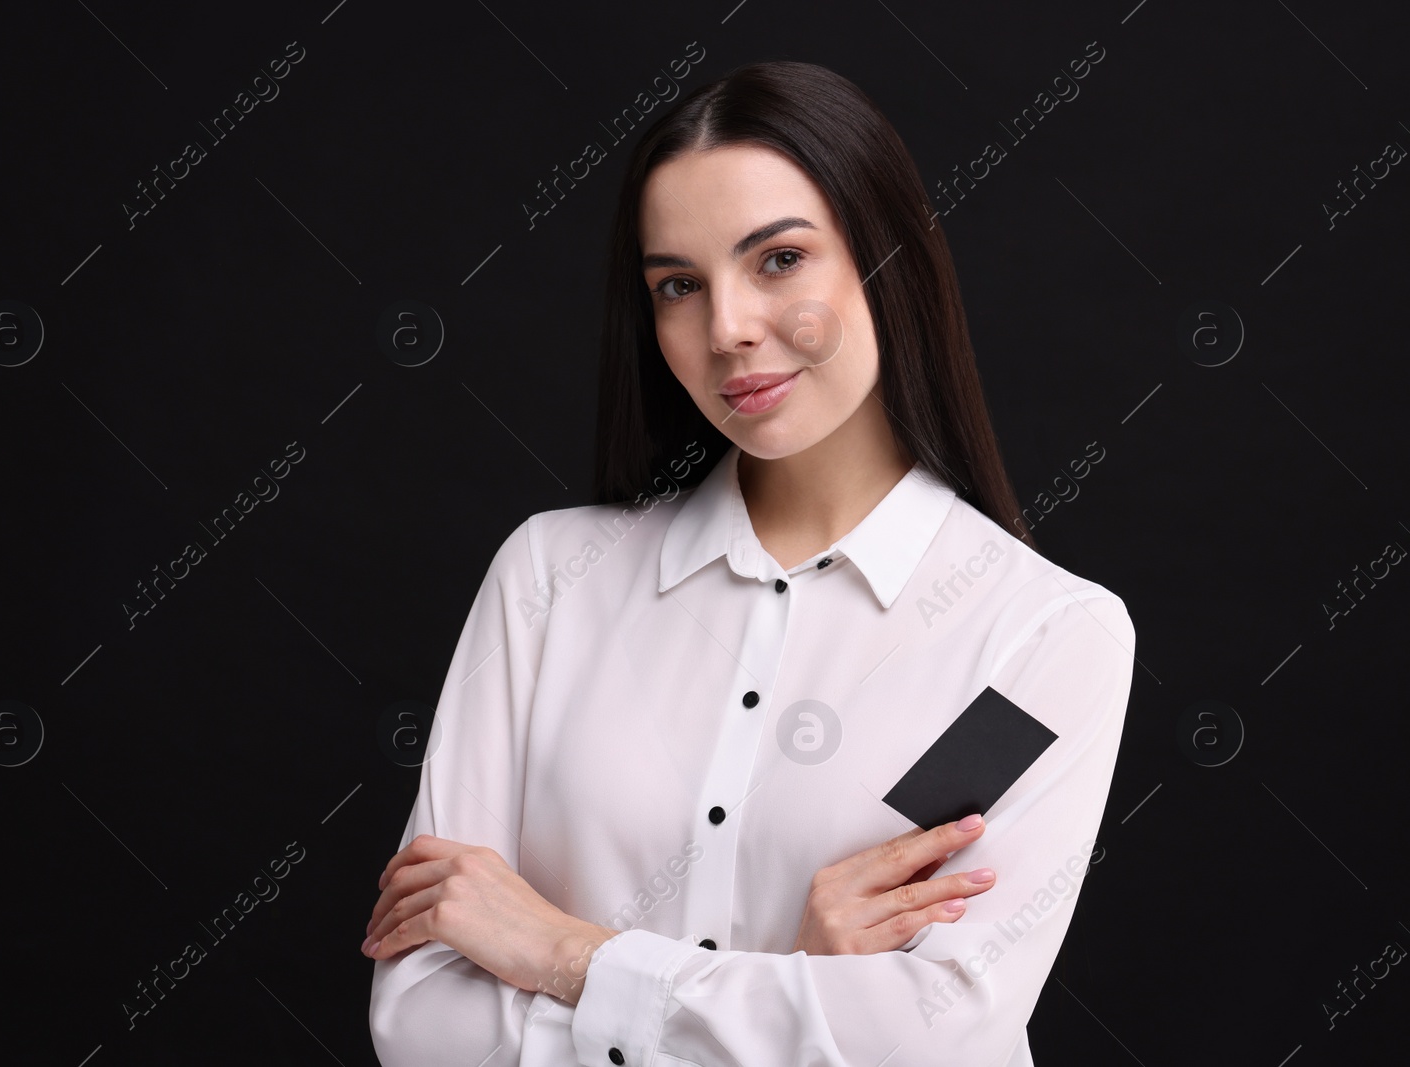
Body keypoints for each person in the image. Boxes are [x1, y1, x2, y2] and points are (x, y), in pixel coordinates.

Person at [364, 59, 1136, 1066]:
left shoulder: (1038, 638)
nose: (724, 327)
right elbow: (422, 1021)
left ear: (887, 256)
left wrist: (563, 951)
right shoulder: (548, 579)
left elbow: (930, 1029)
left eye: (777, 260)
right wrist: (796, 982)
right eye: (677, 285)